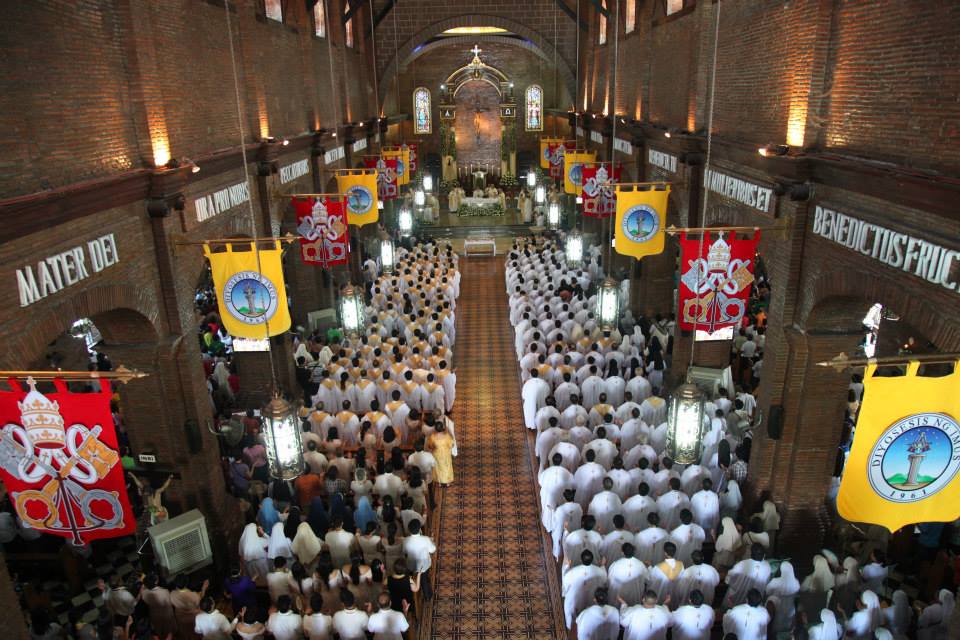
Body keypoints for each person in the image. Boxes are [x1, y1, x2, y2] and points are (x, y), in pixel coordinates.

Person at [561, 550, 607, 629]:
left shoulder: (572, 572)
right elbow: (604, 580)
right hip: (591, 598)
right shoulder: (599, 571)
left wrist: (566, 567)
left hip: (575, 600)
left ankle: (571, 629)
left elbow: (565, 583)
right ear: (592, 560)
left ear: (580, 560)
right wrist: (602, 565)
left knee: (572, 617)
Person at [403, 519, 436, 600]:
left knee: (412, 577)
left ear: (409, 529)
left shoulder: (406, 540)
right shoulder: (425, 539)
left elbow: (404, 551)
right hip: (424, 565)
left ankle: (412, 593)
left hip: (411, 566)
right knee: (424, 579)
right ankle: (427, 596)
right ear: (419, 529)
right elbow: (432, 550)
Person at [140, 572, 176, 639]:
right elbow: (169, 605)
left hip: (154, 614)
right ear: (156, 582)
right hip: (166, 615)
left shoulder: (144, 593)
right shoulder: (164, 591)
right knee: (168, 632)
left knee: (158, 630)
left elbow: (142, 591)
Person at [426, 419, 455, 486]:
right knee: (447, 466)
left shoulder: (432, 437)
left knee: (438, 467)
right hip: (446, 454)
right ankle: (447, 482)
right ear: (442, 428)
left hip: (437, 454)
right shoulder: (447, 436)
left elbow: (430, 446)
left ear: (435, 429)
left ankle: (439, 482)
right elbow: (452, 445)